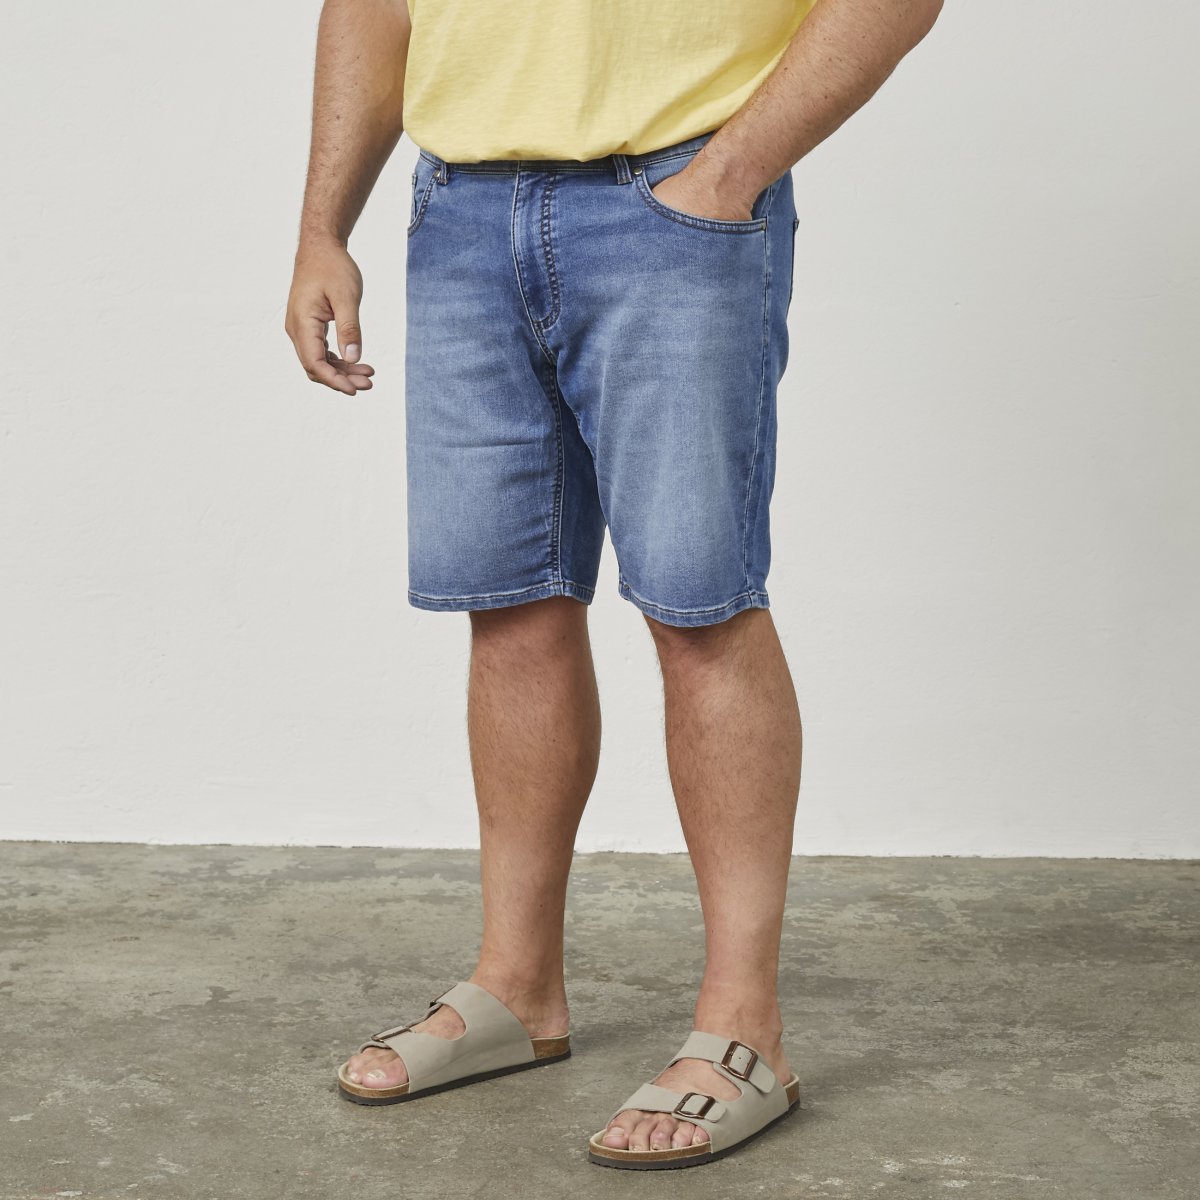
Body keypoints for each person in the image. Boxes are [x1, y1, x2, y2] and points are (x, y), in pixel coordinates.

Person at [285, 0, 942, 1170]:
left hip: (677, 196)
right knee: (510, 602)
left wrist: (730, 172)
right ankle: (515, 990)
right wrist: (320, 226)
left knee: (700, 606)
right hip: (461, 207)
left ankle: (744, 1032)